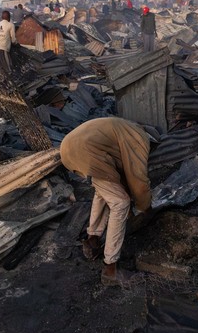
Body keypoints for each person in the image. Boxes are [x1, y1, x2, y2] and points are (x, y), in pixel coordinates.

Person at [60, 117, 151, 286]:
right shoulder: (139, 138)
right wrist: (144, 207)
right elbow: (138, 179)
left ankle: (93, 240)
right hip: (86, 151)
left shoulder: (122, 128)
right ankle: (110, 269)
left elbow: (121, 175)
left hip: (67, 148)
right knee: (120, 202)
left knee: (104, 190)